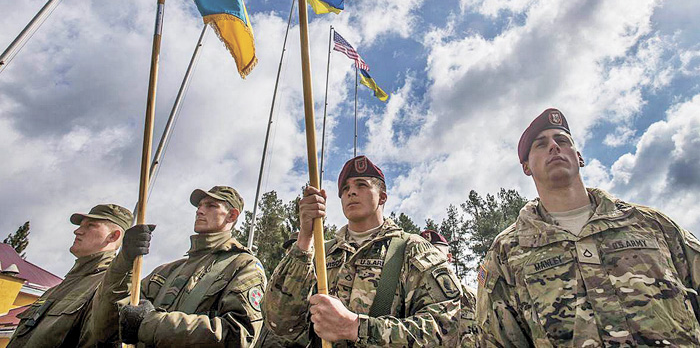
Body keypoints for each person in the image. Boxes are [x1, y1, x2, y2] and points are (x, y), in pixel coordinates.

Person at [477, 108, 700, 347]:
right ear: (526, 167)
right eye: (541, 145)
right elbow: (496, 339)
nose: (554, 146)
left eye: (562, 140)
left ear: (579, 157)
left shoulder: (651, 224)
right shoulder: (508, 252)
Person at [263, 155, 461, 347]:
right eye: (345, 188)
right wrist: (305, 238)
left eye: (362, 185)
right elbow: (279, 324)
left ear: (382, 196)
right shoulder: (322, 254)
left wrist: (357, 328)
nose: (351, 192)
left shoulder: (412, 250)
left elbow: (446, 328)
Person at [95, 186, 267, 347]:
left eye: (211, 206)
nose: (200, 211)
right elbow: (108, 324)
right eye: (199, 206)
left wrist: (150, 324)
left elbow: (240, 335)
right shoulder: (166, 271)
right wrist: (124, 261)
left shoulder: (243, 265)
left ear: (231, 216)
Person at [8, 203, 133, 348]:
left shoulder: (110, 288)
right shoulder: (57, 288)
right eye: (81, 225)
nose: (78, 231)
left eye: (90, 226)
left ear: (113, 236)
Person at [420, 229, 479, 347]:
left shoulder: (473, 298)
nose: (429, 260)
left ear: (449, 258)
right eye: (423, 255)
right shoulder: (407, 300)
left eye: (434, 253)